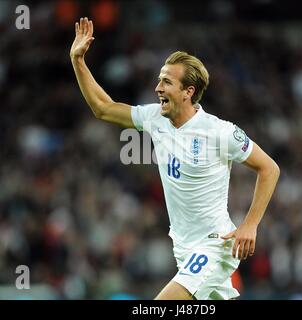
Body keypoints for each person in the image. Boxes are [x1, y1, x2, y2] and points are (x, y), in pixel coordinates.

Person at [70, 17, 280, 300]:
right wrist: (78, 60)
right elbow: (103, 109)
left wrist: (250, 224)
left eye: (166, 82)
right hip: (183, 248)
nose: (157, 88)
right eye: (159, 80)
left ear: (188, 92)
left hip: (214, 246)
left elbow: (269, 168)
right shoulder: (155, 118)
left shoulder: (219, 131)